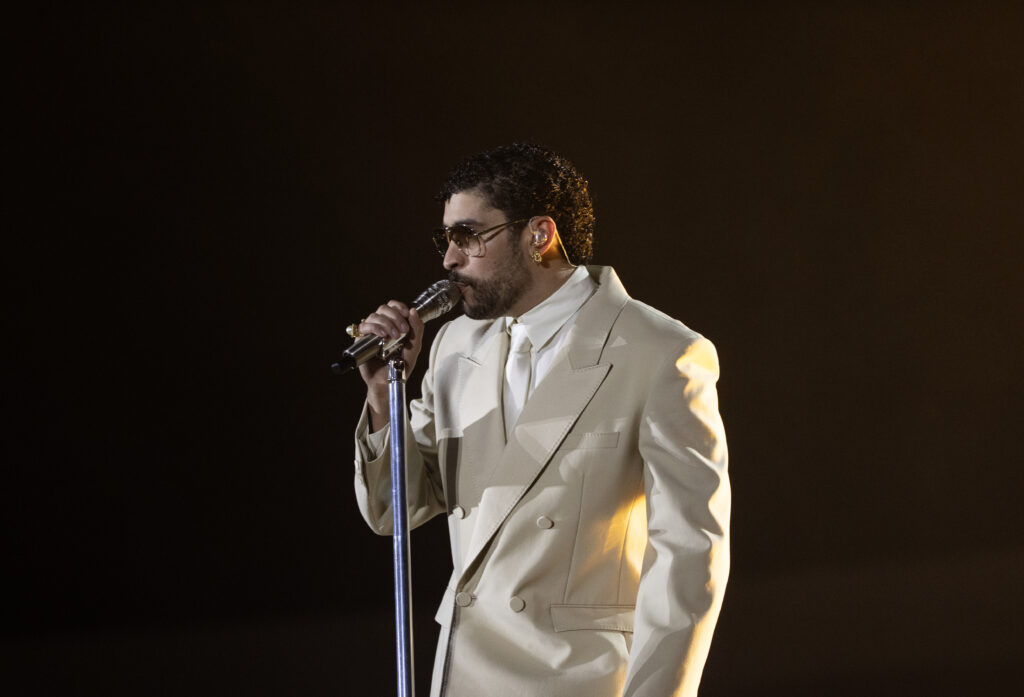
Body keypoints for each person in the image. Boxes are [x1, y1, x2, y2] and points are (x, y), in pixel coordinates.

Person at [351, 143, 730, 697]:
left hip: (577, 680)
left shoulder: (660, 352)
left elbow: (690, 558)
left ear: (539, 235)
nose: (449, 260)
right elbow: (395, 512)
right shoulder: (454, 345)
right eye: (446, 239)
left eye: (468, 236)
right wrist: (385, 395)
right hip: (463, 678)